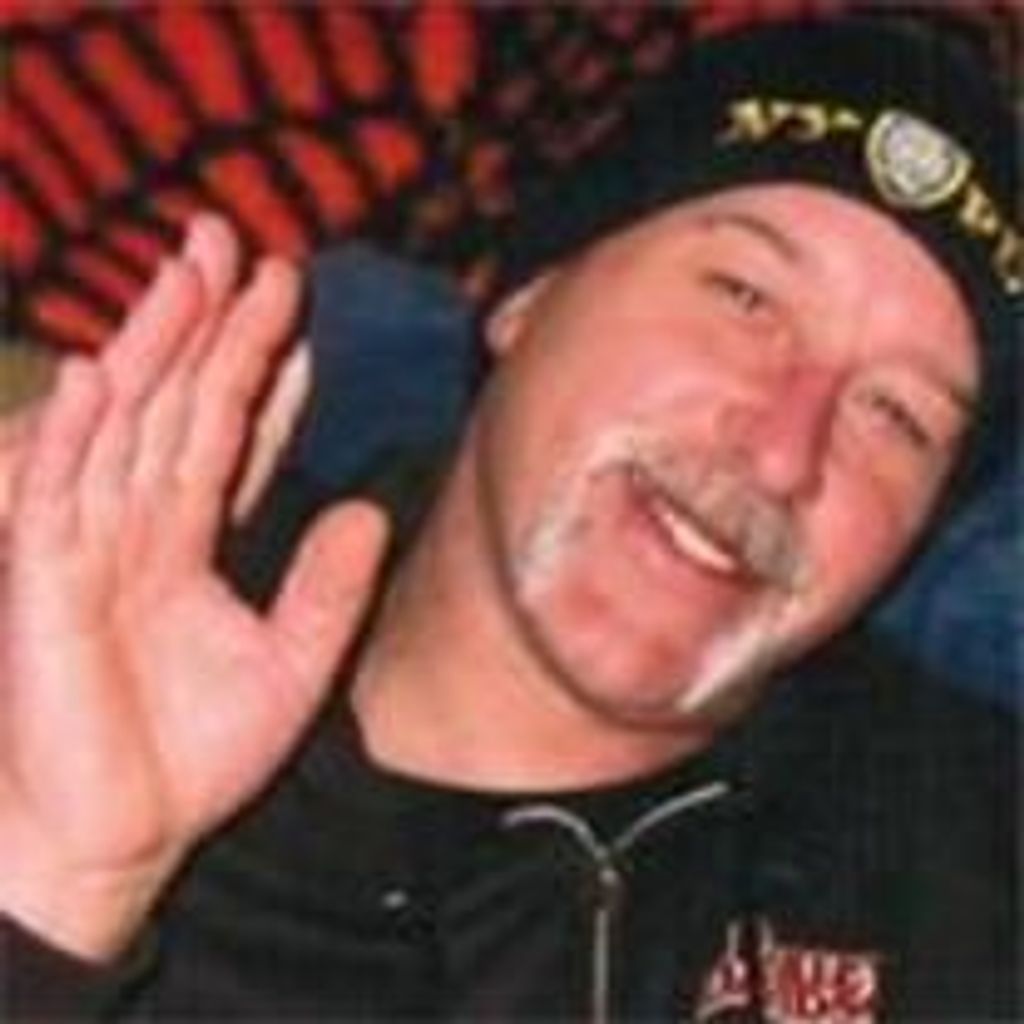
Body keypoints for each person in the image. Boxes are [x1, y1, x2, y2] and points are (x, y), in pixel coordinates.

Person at [1, 14, 1019, 1023]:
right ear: (526, 298)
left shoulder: (966, 871)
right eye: (744, 296)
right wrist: (51, 886)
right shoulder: (72, 670)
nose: (785, 451)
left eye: (897, 415)